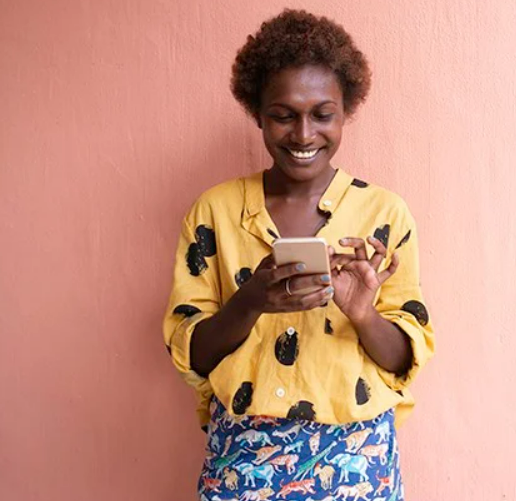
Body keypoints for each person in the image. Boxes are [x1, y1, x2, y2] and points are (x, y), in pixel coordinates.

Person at [163, 9, 435, 500]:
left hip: (358, 458)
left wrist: (363, 314)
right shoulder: (214, 213)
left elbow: (402, 360)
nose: (304, 135)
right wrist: (251, 300)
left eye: (322, 115)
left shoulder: (385, 215)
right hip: (242, 457)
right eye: (283, 115)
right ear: (257, 113)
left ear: (346, 111)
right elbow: (193, 356)